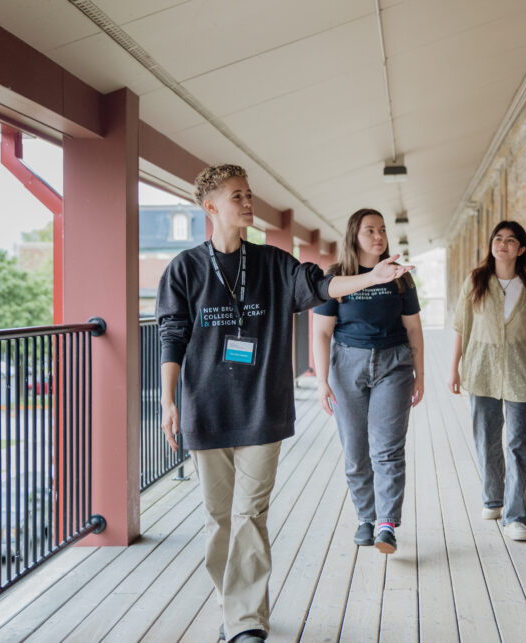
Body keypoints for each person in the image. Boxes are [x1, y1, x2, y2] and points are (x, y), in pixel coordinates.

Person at [156, 166, 412, 643]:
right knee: (218, 519)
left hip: (261, 408)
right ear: (211, 207)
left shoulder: (274, 264)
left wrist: (371, 277)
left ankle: (246, 619)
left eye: (250, 195)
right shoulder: (185, 269)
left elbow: (322, 287)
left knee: (250, 514)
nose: (248, 203)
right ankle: (234, 600)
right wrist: (168, 401)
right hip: (206, 409)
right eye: (238, 196)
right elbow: (172, 336)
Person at [312, 209, 423, 555]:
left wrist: (421, 373)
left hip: (394, 364)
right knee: (356, 450)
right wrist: (321, 381)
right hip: (347, 365)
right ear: (353, 237)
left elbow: (414, 328)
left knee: (388, 449)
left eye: (382, 230)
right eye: (369, 231)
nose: (378, 237)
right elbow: (321, 332)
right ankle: (365, 517)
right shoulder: (336, 277)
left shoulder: (401, 279)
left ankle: (386, 523)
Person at [447, 221, 526, 541]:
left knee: (518, 444)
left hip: (519, 372)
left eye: (510, 240)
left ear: (521, 249)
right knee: (487, 439)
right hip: (480, 370)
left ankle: (516, 515)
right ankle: (493, 498)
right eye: (497, 239)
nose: (502, 244)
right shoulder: (476, 281)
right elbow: (462, 327)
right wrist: (454, 369)